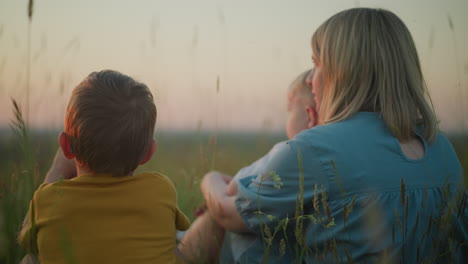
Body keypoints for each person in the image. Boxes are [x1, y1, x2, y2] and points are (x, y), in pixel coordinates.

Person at [184, 8, 466, 263]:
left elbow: (226, 212)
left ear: (344, 73)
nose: (309, 78)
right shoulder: (441, 147)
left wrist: (210, 180)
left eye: (317, 63)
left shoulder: (316, 148)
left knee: (252, 226)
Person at [18, 70, 191, 264]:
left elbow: (26, 239)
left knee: (30, 259)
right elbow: (177, 232)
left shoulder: (47, 200)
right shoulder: (162, 190)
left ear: (66, 146)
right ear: (149, 152)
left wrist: (56, 170)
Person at [178, 69, 318, 263]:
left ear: (309, 115)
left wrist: (211, 180)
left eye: (289, 110)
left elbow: (230, 196)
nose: (287, 118)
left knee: (213, 218)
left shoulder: (292, 154)